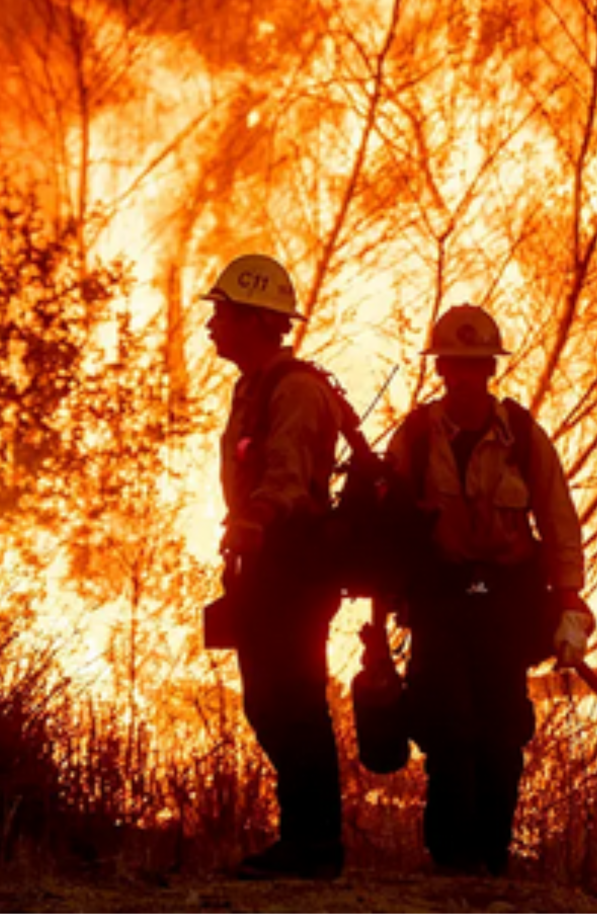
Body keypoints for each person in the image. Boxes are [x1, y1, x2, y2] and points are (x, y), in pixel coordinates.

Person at [387, 304, 593, 877]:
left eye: (477, 364)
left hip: (503, 602)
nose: (466, 375)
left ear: (490, 370)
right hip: (440, 600)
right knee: (443, 722)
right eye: (456, 363)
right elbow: (388, 523)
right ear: (441, 369)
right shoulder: (415, 437)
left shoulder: (524, 437)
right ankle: (452, 855)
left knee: (501, 727)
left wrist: (569, 602)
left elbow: (558, 522)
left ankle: (493, 853)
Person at [201, 253, 348, 880]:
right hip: (264, 565)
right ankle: (306, 840)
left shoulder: (296, 391)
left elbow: (288, 478)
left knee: (294, 701)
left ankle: (314, 846)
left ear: (259, 321)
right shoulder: (252, 387)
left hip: (296, 565)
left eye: (223, 313)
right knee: (267, 702)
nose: (211, 325)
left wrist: (256, 517)